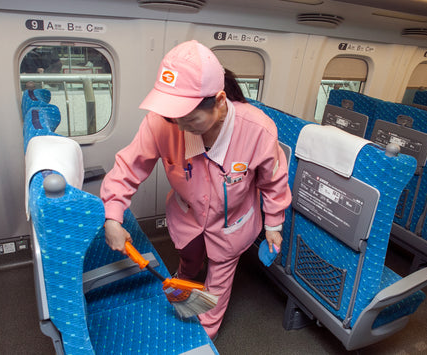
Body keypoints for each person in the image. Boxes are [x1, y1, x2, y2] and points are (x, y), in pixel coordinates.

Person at [100, 40, 291, 339]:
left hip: (233, 224)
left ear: (218, 101)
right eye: (172, 117)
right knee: (189, 258)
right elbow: (129, 167)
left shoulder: (258, 130)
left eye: (188, 119)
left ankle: (205, 335)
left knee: (218, 282)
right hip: (187, 215)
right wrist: (112, 215)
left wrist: (274, 224)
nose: (178, 126)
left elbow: (273, 181)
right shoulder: (162, 124)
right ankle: (186, 276)